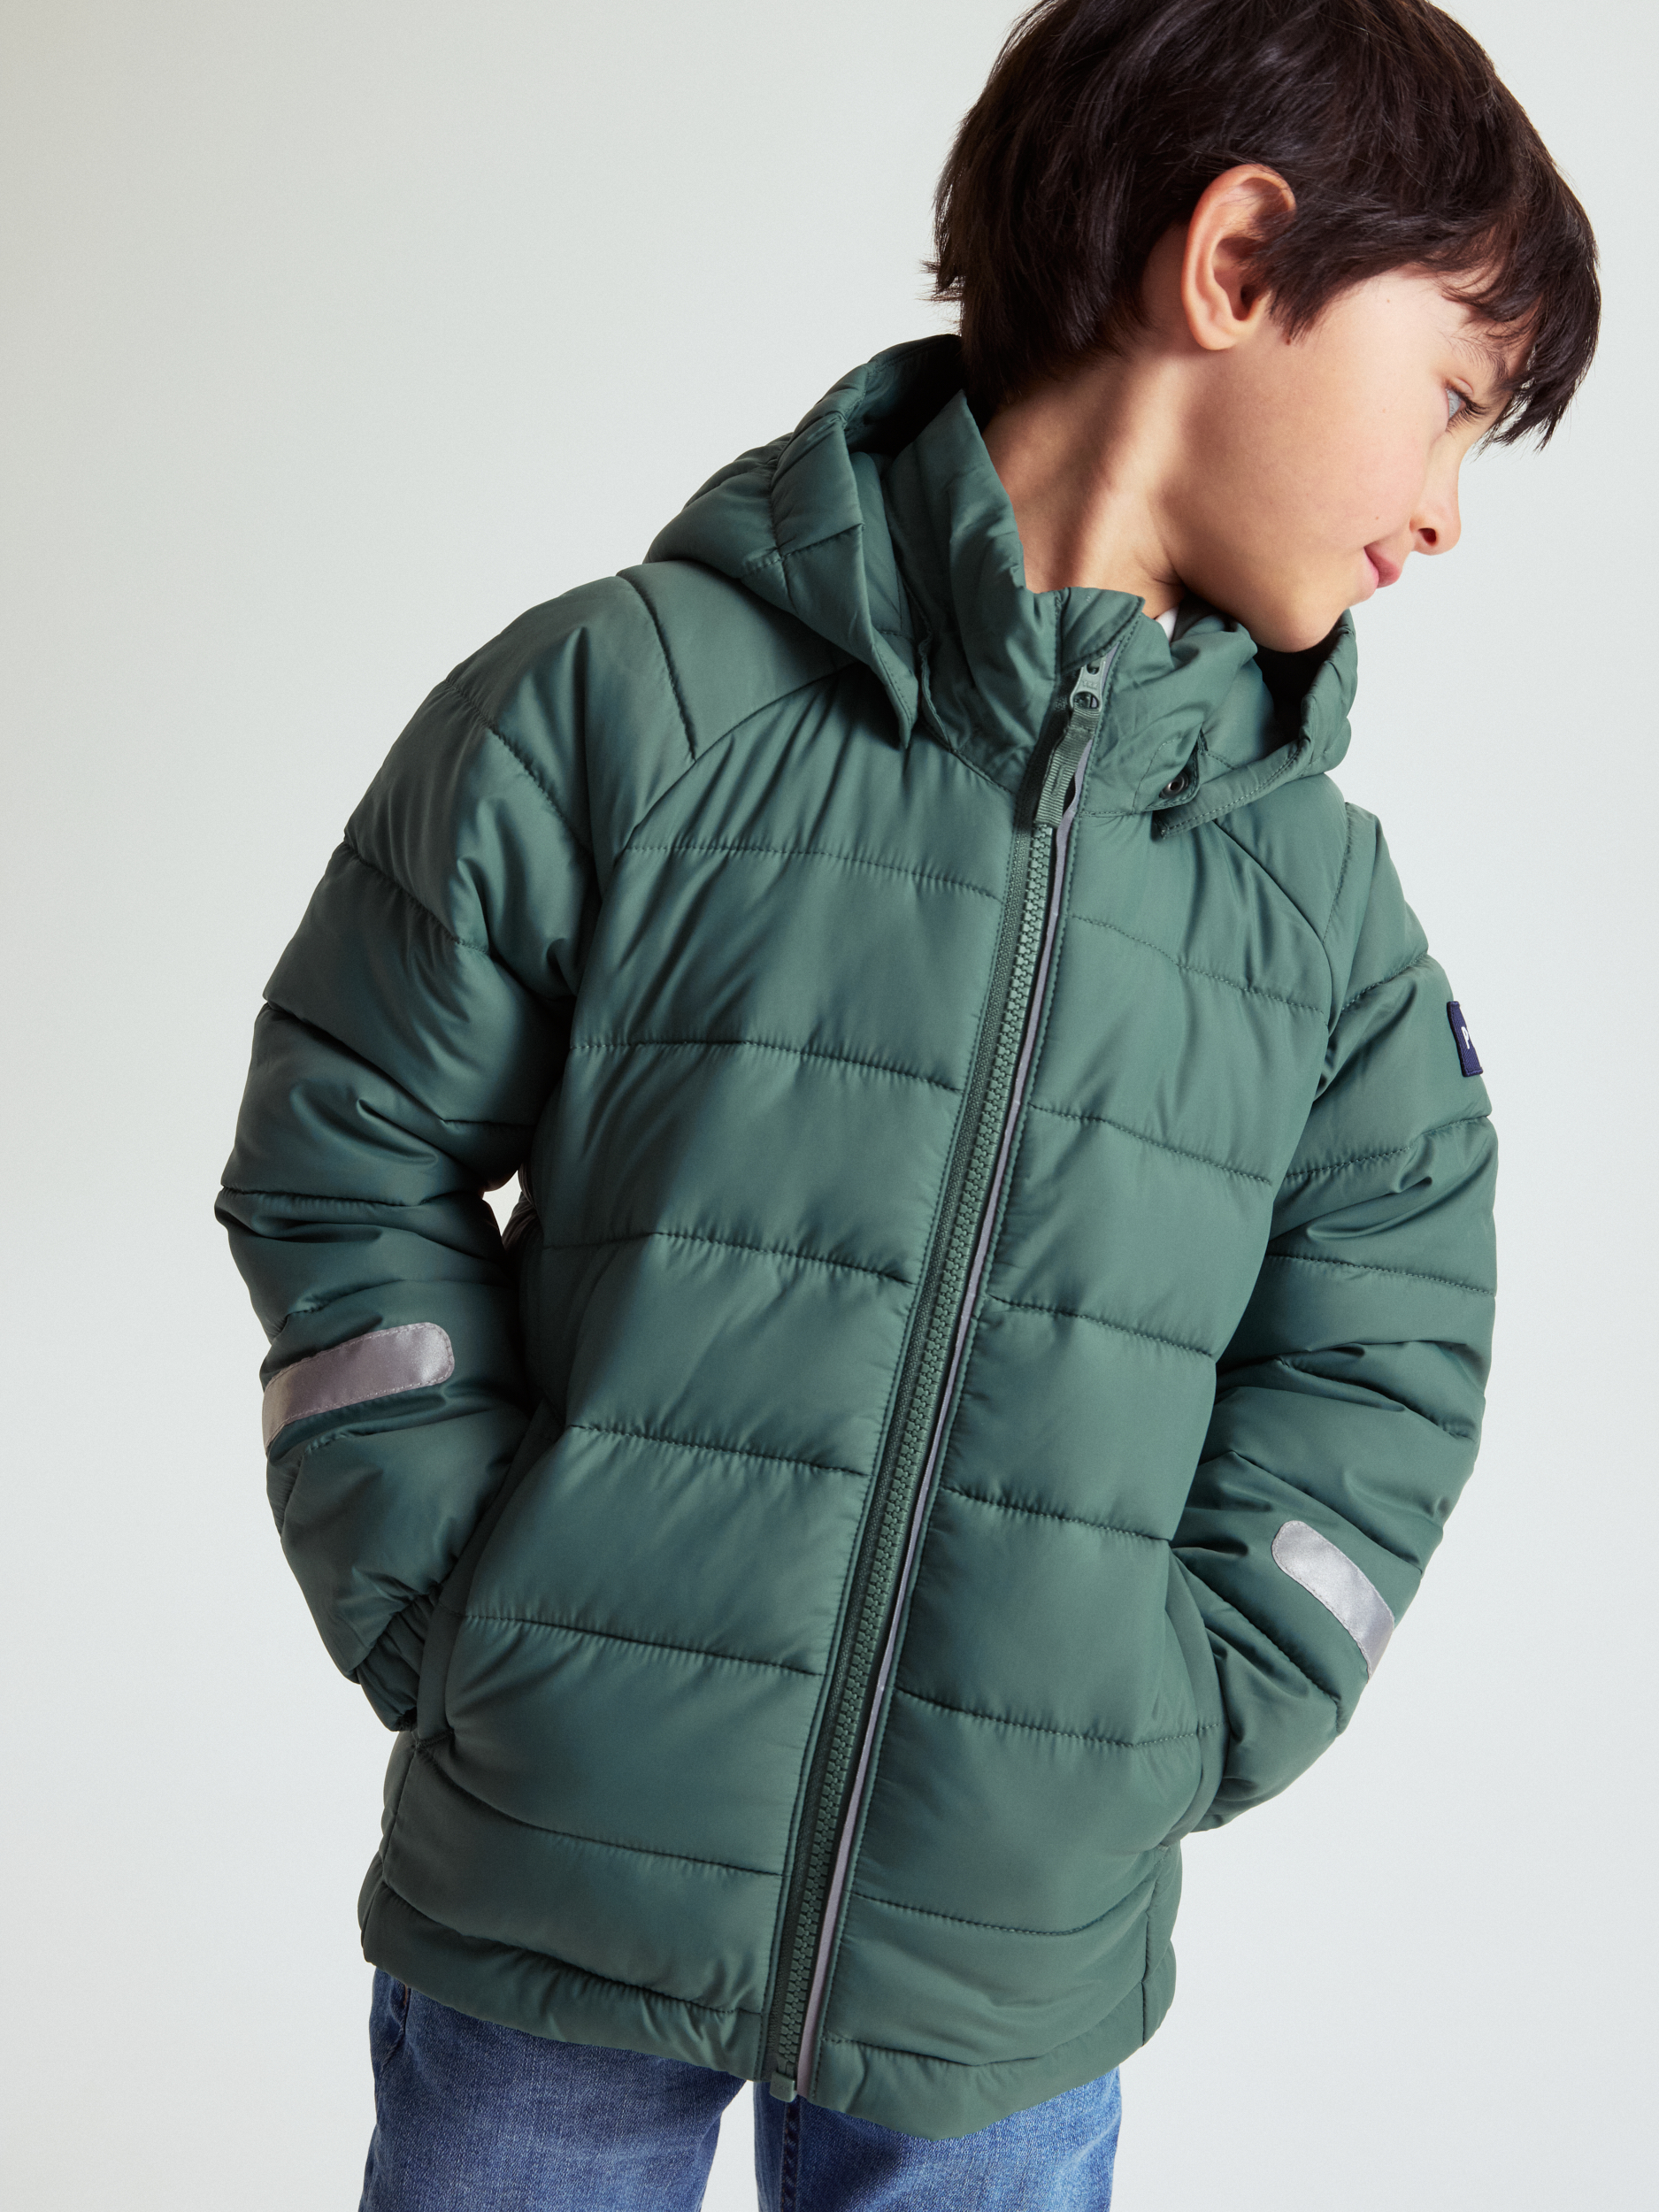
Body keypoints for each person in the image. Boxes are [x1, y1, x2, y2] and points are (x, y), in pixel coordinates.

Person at [218, 2, 1599, 2204]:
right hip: (553, 1890)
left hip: (1000, 1981)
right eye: (1448, 397)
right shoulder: (633, 704)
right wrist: (457, 1597)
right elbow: (349, 1132)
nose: (1440, 515)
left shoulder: (1318, 925)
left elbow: (1387, 1354)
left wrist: (1175, 1714)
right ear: (1235, 260)